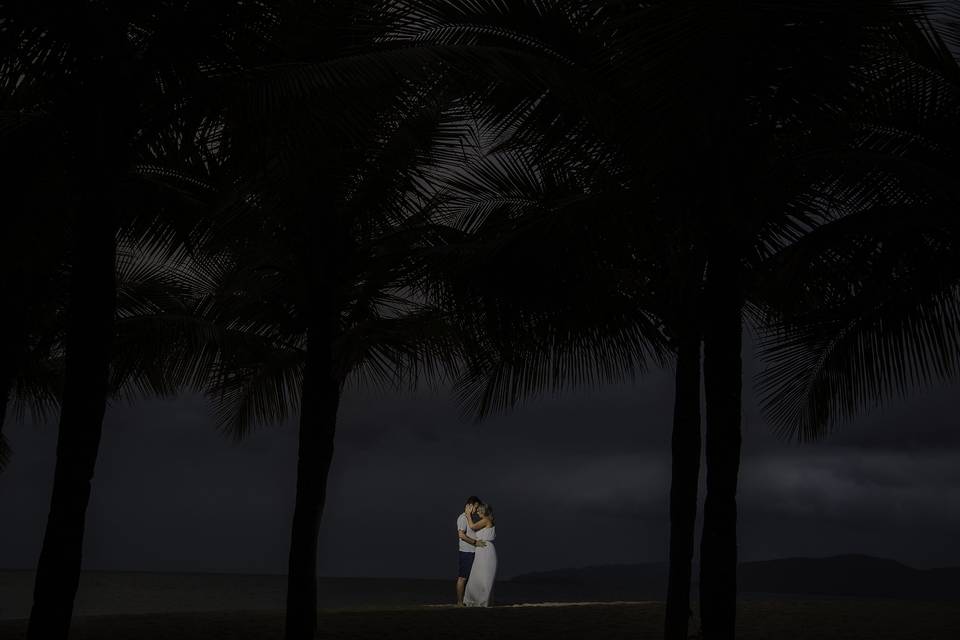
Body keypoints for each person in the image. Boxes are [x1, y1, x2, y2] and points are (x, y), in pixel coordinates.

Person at [463, 502, 496, 607]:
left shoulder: (486, 520)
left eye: (478, 511)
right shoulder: (487, 520)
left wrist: (468, 515)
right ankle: (475, 600)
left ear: (483, 511)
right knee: (477, 575)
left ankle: (482, 601)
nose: (477, 513)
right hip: (481, 551)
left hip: (486, 551)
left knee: (484, 576)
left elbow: (472, 526)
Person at [456, 496, 487, 605]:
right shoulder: (463, 518)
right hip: (466, 552)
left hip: (472, 552)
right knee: (462, 578)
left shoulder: (468, 518)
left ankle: (469, 600)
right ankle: (460, 602)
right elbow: (461, 535)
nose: (476, 510)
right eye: (476, 507)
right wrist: (475, 542)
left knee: (470, 578)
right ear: (470, 505)